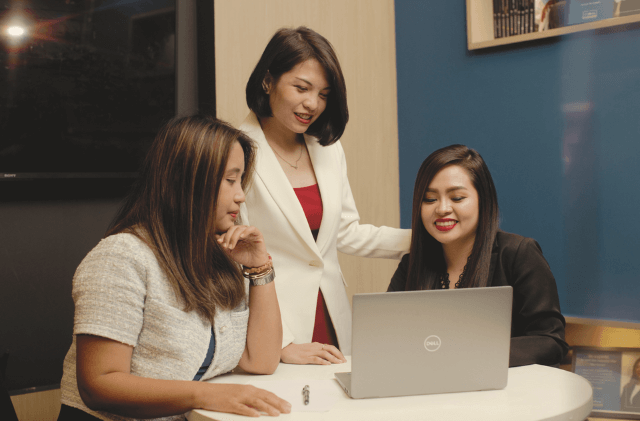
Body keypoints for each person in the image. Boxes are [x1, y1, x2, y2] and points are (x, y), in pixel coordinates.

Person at [58, 115, 291, 420]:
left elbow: (260, 360)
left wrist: (259, 267)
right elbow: (99, 385)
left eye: (240, 180)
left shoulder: (219, 253)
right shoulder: (120, 257)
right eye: (230, 180)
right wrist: (208, 396)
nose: (240, 195)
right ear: (188, 182)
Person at [240, 26, 410, 364]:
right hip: (274, 325)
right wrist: (283, 344)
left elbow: (344, 232)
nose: (312, 104)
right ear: (268, 80)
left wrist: (423, 240)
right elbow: (227, 258)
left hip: (333, 315)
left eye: (324, 94)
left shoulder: (327, 148)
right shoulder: (235, 149)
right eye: (301, 88)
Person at [387, 144, 568, 367]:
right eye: (430, 199)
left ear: (483, 200)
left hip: (504, 395)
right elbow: (387, 338)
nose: (442, 209)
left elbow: (550, 342)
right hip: (430, 392)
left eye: (457, 198)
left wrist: (472, 355)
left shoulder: (518, 254)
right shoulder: (411, 263)